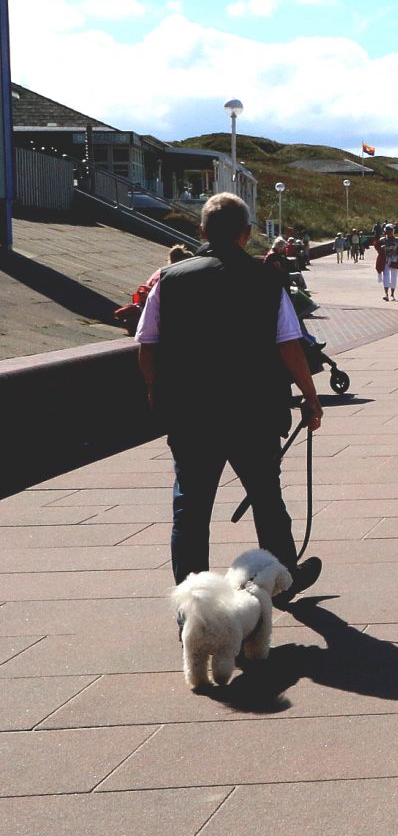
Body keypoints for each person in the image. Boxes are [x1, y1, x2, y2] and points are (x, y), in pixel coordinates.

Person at [134, 193, 323, 599]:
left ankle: (193, 602)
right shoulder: (268, 280)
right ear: (247, 233)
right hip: (254, 412)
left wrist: (155, 390)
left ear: (201, 231)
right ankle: (281, 579)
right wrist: (310, 396)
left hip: (190, 413)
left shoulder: (169, 280)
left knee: (191, 507)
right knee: (266, 498)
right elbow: (289, 345)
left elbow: (147, 344)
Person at [374, 225, 398, 302]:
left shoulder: (397, 240)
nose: (389, 232)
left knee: (394, 278)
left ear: (393, 231)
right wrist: (380, 247)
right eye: (387, 230)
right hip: (386, 260)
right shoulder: (382, 240)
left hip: (395, 260)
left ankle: (392, 294)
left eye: (390, 230)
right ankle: (386, 294)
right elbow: (377, 247)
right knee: (386, 276)